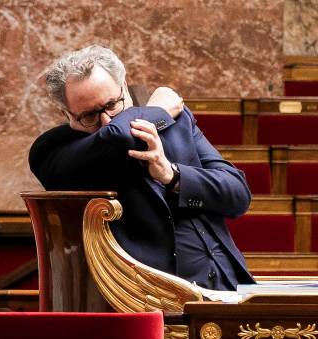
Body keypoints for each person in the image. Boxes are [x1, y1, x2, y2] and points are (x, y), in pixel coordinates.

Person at [29, 44, 255, 291]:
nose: (106, 120)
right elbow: (116, 136)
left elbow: (238, 194)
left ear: (124, 87)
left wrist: (172, 175)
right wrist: (155, 110)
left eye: (112, 104)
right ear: (67, 113)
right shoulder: (53, 150)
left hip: (225, 282)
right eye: (90, 116)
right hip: (144, 296)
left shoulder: (175, 121)